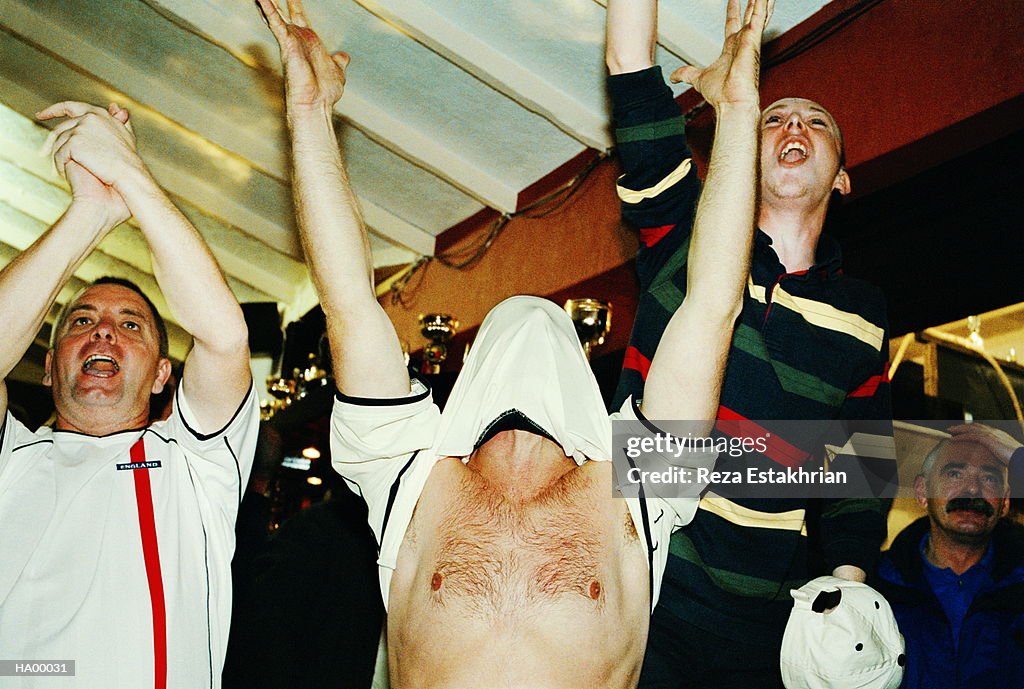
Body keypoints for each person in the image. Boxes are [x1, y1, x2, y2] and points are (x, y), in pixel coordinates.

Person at [256, 0, 769, 685]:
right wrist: (308, 115)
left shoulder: (634, 485)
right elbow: (348, 301)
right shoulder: (417, 475)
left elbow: (715, 308)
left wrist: (740, 113)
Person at [605, 1, 896, 686]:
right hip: (641, 582)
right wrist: (736, 96)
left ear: (843, 179)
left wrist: (845, 594)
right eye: (773, 117)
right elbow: (629, 64)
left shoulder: (865, 314)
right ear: (740, 150)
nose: (794, 124)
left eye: (815, 122)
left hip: (765, 624)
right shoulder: (684, 235)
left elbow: (863, 466)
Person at [0, 101, 258, 689]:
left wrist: (132, 177)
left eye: (131, 325)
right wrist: (87, 214)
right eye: (81, 320)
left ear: (164, 375)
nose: (104, 331)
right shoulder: (9, 460)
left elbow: (223, 335)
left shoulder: (196, 465)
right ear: (46, 366)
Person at [875, 424, 1024, 689]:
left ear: (1005, 502)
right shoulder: (879, 589)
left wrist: (1017, 457)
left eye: (989, 478)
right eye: (955, 474)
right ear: (922, 492)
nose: (972, 490)